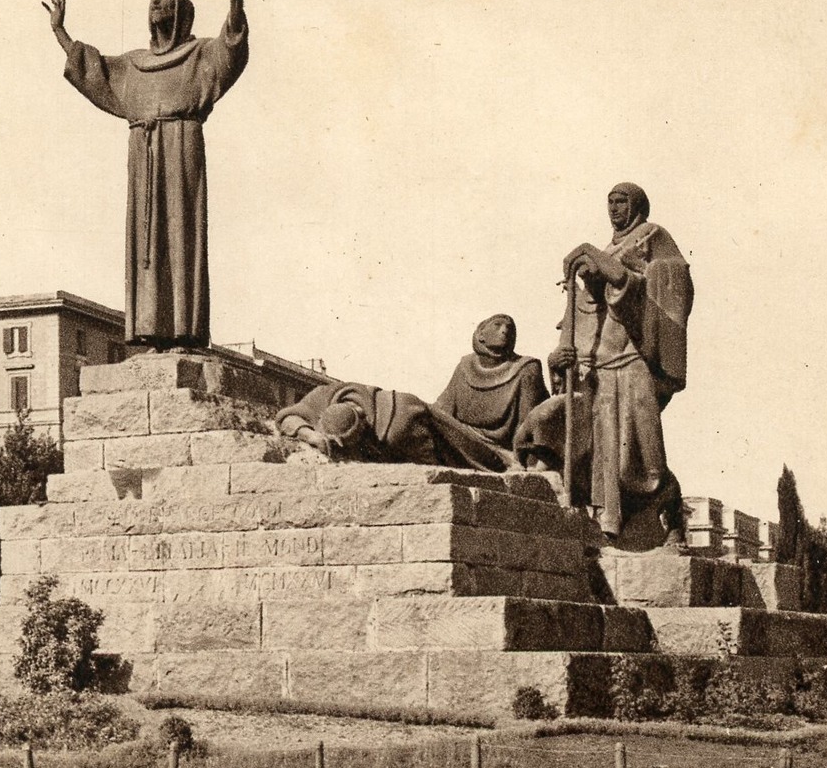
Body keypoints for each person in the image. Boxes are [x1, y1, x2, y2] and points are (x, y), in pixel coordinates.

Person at [43, 0, 250, 350]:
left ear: (182, 13)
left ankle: (185, 333)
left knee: (181, 235)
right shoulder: (135, 64)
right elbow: (94, 69)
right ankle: (151, 331)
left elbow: (232, 49)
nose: (158, 5)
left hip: (181, 148)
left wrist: (235, 2)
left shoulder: (200, 54)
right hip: (144, 154)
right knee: (146, 243)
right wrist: (60, 32)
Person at [517, 182, 694, 549]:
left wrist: (589, 252)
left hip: (633, 368)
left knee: (646, 460)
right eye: (610, 202)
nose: (614, 208)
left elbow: (636, 286)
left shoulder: (648, 241)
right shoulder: (587, 298)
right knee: (603, 453)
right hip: (597, 381)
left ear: (639, 205)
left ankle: (671, 512)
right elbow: (570, 350)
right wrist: (558, 362)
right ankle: (606, 523)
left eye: (622, 201)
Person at [276, 382, 519, 471]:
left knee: (460, 454)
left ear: (362, 421)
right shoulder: (321, 398)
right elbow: (286, 417)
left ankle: (503, 462)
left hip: (407, 418)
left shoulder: (396, 430)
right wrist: (310, 435)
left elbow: (430, 466)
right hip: (401, 409)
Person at [434, 314, 548, 456]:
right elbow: (442, 411)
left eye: (510, 328)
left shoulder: (526, 368)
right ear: (481, 335)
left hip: (495, 452)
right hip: (460, 439)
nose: (505, 330)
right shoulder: (465, 366)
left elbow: (529, 427)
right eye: (497, 325)